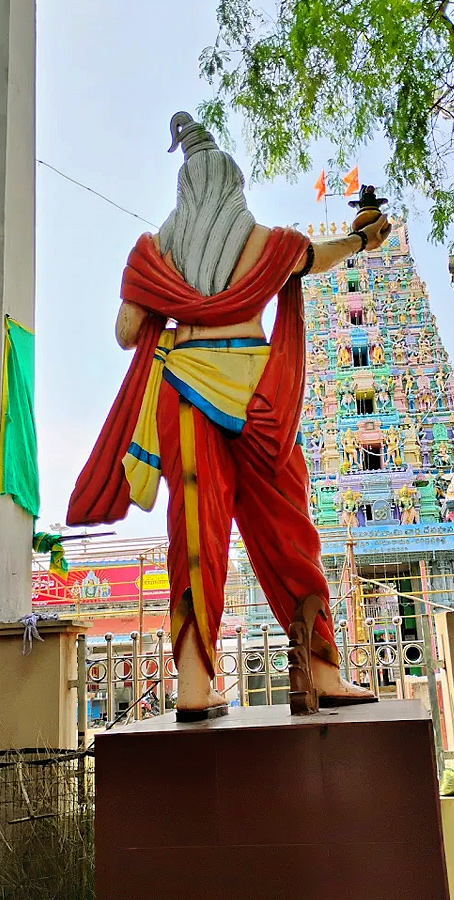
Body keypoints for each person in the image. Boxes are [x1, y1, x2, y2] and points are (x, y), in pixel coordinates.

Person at [67, 112, 390, 717]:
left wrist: (164, 297)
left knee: (195, 531)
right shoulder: (266, 243)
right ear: (234, 187)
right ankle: (321, 672)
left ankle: (193, 685)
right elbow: (319, 257)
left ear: (185, 193)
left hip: (184, 389)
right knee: (289, 527)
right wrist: (361, 240)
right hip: (256, 398)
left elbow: (126, 331)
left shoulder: (157, 250)